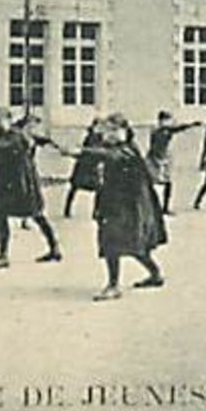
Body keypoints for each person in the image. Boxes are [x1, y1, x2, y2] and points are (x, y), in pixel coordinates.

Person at [84, 116, 168, 302]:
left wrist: (79, 152)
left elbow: (111, 156)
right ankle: (155, 274)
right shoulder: (115, 148)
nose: (110, 135)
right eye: (107, 131)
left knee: (114, 242)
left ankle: (113, 286)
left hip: (128, 205)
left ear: (125, 131)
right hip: (117, 203)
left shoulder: (127, 150)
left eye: (115, 131)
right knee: (129, 243)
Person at [0, 109, 62, 269]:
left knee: (36, 215)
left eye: (0, 120)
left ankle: (53, 248)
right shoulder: (3, 135)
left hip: (22, 181)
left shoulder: (16, 136)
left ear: (9, 120)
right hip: (7, 181)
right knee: (2, 215)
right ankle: (4, 255)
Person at [145, 110, 198, 215]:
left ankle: (165, 207)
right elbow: (167, 131)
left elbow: (178, 128)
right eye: (167, 120)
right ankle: (149, 207)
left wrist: (191, 125)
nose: (169, 122)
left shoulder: (167, 130)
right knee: (150, 183)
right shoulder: (157, 130)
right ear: (161, 121)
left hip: (164, 158)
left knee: (167, 183)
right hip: (154, 158)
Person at [63, 119, 106, 218]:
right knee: (75, 188)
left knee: (97, 189)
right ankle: (68, 210)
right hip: (85, 166)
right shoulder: (92, 137)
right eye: (99, 126)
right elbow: (87, 151)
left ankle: (95, 212)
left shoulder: (100, 137)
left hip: (90, 167)